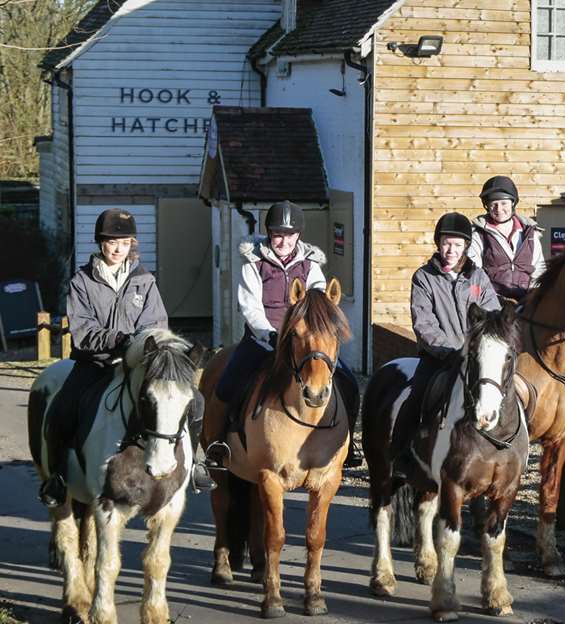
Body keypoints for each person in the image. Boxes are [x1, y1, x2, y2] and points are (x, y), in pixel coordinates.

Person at [41, 208, 205, 505]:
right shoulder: (82, 281)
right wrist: (118, 340)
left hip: (139, 362)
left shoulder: (145, 280)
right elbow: (83, 329)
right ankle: (58, 477)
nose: (118, 249)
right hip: (96, 362)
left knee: (195, 400)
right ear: (100, 243)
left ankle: (195, 465)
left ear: (132, 245)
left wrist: (141, 346)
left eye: (125, 242)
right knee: (62, 408)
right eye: (112, 242)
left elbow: (156, 325)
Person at [204, 201, 359, 463]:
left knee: (349, 382)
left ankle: (347, 443)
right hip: (263, 341)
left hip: (304, 343)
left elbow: (319, 304)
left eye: (289, 235)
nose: (283, 241)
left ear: (298, 235)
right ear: (269, 234)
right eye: (278, 234)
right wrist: (271, 336)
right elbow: (249, 307)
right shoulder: (253, 263)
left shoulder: (311, 267)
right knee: (228, 382)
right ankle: (217, 443)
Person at [391, 212, 502, 473]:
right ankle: (402, 454)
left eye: (457, 244)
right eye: (446, 243)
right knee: (415, 397)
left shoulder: (478, 278)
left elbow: (492, 316)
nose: (450, 250)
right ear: (438, 244)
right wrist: (450, 352)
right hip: (439, 357)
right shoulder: (423, 277)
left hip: (475, 357)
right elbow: (424, 323)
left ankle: (509, 448)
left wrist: (476, 350)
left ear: (466, 246)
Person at [473, 175, 546, 304]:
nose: (499, 209)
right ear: (487, 206)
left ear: (513, 203)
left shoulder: (530, 233)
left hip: (527, 302)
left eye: (503, 203)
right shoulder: (478, 234)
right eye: (493, 204)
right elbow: (474, 272)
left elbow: (539, 269)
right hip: (493, 302)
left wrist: (533, 297)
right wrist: (489, 300)